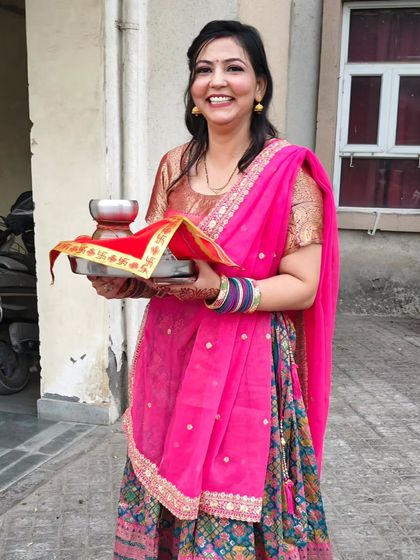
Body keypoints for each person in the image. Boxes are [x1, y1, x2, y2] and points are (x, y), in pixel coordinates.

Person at [90, 20, 339, 560]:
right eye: (204, 70)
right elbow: (161, 267)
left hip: (246, 366)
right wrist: (117, 279)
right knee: (167, 485)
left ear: (260, 85)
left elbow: (303, 287)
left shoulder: (288, 173)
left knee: (229, 499)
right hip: (170, 359)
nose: (217, 81)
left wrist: (223, 291)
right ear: (193, 88)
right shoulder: (174, 166)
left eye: (234, 68)